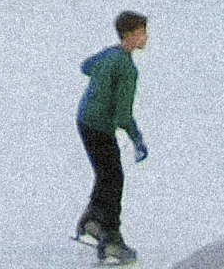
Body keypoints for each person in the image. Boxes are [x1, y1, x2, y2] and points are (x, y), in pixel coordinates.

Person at [75, 14, 150, 266]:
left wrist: (102, 81)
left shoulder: (109, 55)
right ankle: (111, 241)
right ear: (128, 35)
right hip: (100, 126)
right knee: (113, 179)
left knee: (106, 174)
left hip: (85, 120)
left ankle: (92, 220)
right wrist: (137, 139)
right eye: (141, 32)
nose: (145, 37)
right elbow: (122, 115)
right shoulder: (128, 69)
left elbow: (86, 66)